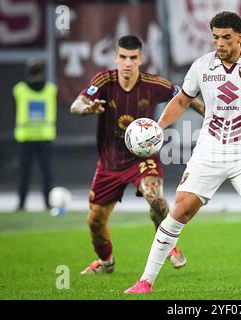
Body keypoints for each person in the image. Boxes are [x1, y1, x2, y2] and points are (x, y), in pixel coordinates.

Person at [125, 11, 241, 294]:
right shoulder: (201, 66)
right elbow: (181, 100)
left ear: (240, 36)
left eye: (226, 37)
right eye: (216, 37)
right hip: (209, 149)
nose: (220, 43)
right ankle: (145, 281)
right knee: (181, 209)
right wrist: (158, 127)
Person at [70, 35, 205, 274]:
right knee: (95, 221)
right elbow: (77, 104)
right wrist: (86, 108)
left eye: (133, 58)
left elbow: (186, 96)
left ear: (141, 59)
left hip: (143, 158)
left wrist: (211, 114)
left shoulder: (153, 84)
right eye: (123, 57)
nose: (128, 63)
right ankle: (106, 262)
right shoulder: (104, 81)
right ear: (115, 58)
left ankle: (170, 246)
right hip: (110, 164)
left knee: (155, 198)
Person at [13, 58, 57, 211]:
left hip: (26, 137)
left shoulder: (19, 90)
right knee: (46, 173)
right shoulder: (51, 89)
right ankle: (47, 203)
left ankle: (21, 204)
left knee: (25, 173)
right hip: (44, 137)